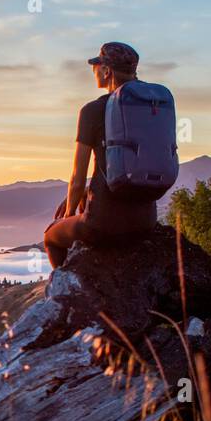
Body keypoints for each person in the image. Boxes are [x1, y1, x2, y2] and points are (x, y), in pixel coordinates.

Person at [43, 41, 159, 269]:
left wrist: (67, 215)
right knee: (88, 197)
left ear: (107, 71)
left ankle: (65, 289)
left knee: (51, 237)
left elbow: (77, 177)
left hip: (104, 225)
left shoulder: (93, 111)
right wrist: (86, 193)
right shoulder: (152, 108)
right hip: (145, 222)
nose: (94, 71)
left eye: (96, 66)